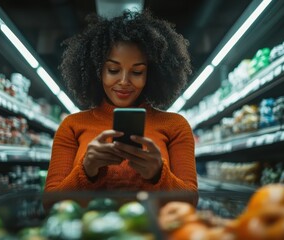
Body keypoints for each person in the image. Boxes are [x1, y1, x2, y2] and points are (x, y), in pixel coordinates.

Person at [44, 10, 197, 206]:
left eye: (137, 71)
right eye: (113, 70)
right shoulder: (72, 126)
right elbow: (50, 205)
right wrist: (86, 170)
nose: (124, 81)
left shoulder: (175, 126)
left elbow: (191, 203)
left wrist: (159, 174)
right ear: (97, 71)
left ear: (151, 74)